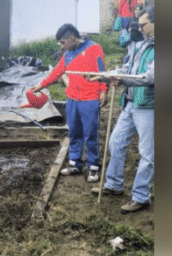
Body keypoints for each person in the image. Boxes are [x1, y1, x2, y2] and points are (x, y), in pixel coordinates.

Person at [91, 7, 154, 214]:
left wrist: (123, 79)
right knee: (116, 142)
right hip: (129, 104)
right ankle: (114, 184)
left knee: (147, 154)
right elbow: (128, 70)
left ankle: (141, 197)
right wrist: (106, 75)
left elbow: (150, 77)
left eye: (144, 24)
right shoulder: (139, 44)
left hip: (148, 107)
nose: (140, 28)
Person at [27, 24, 108, 183]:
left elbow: (102, 71)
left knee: (90, 133)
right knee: (74, 132)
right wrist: (41, 85)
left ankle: (93, 166)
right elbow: (57, 72)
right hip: (72, 99)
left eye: (63, 42)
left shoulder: (94, 48)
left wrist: (104, 90)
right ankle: (75, 163)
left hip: (90, 98)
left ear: (71, 39)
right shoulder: (68, 54)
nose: (62, 46)